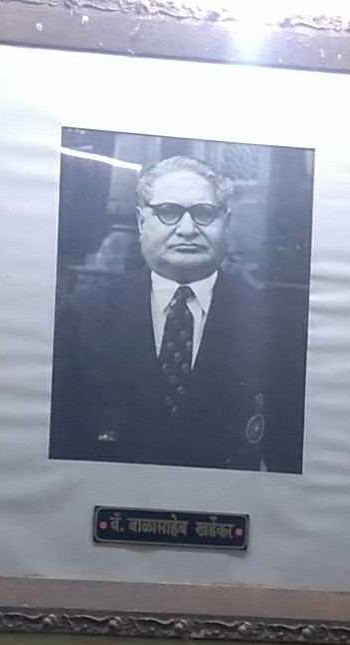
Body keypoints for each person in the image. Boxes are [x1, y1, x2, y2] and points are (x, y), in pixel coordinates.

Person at [50, 155, 308, 473]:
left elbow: (290, 460)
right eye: (168, 212)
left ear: (226, 223)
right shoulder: (83, 315)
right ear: (142, 222)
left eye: (204, 213)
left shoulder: (276, 324)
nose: (187, 230)